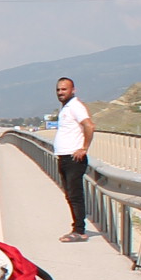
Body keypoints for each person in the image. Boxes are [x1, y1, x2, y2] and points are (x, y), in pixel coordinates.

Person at [53, 76, 93, 242]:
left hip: (73, 158)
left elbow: (89, 125)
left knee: (75, 195)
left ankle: (79, 230)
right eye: (58, 90)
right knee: (70, 194)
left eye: (64, 89)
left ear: (73, 90)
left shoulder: (75, 106)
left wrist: (83, 148)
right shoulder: (66, 107)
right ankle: (76, 227)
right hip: (64, 156)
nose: (61, 92)